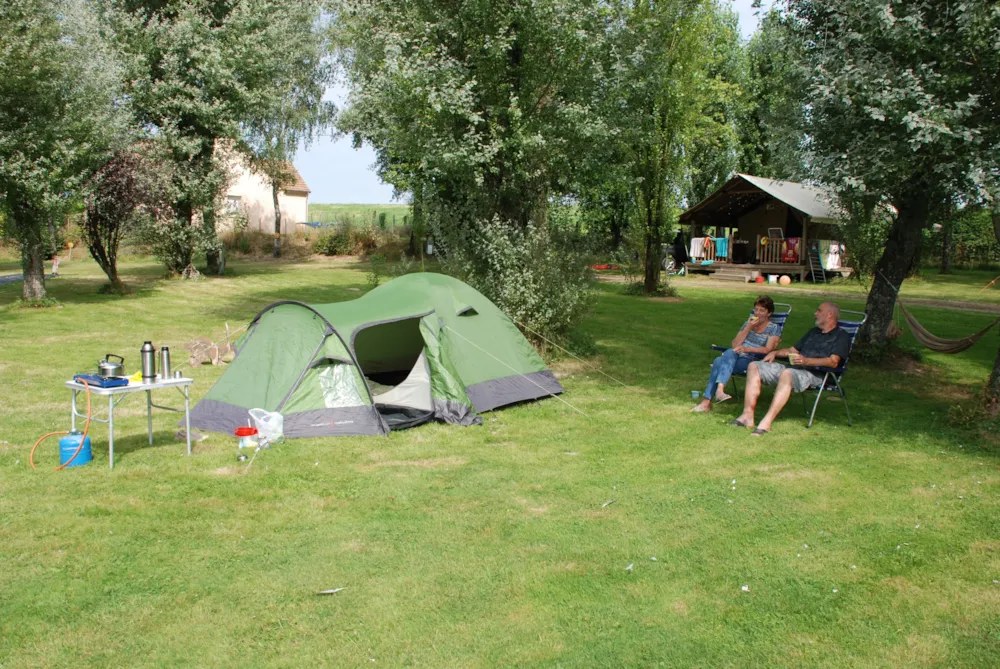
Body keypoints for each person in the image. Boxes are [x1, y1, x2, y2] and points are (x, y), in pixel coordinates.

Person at [730, 301, 852, 436]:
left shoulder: (841, 336)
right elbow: (792, 350)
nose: (815, 313)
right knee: (754, 366)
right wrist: (775, 352)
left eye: (819, 311)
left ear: (830, 315)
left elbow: (833, 362)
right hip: (794, 369)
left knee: (787, 373)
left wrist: (807, 361)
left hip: (817, 374)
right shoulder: (813, 332)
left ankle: (766, 422)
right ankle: (747, 416)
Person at [691, 295, 781, 412]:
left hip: (752, 359)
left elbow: (767, 349)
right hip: (736, 355)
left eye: (762, 310)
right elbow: (735, 344)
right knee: (729, 352)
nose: (757, 313)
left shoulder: (774, 328)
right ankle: (719, 391)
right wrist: (748, 327)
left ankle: (707, 401)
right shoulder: (748, 324)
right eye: (756, 309)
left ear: (769, 313)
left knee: (718, 362)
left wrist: (747, 349)